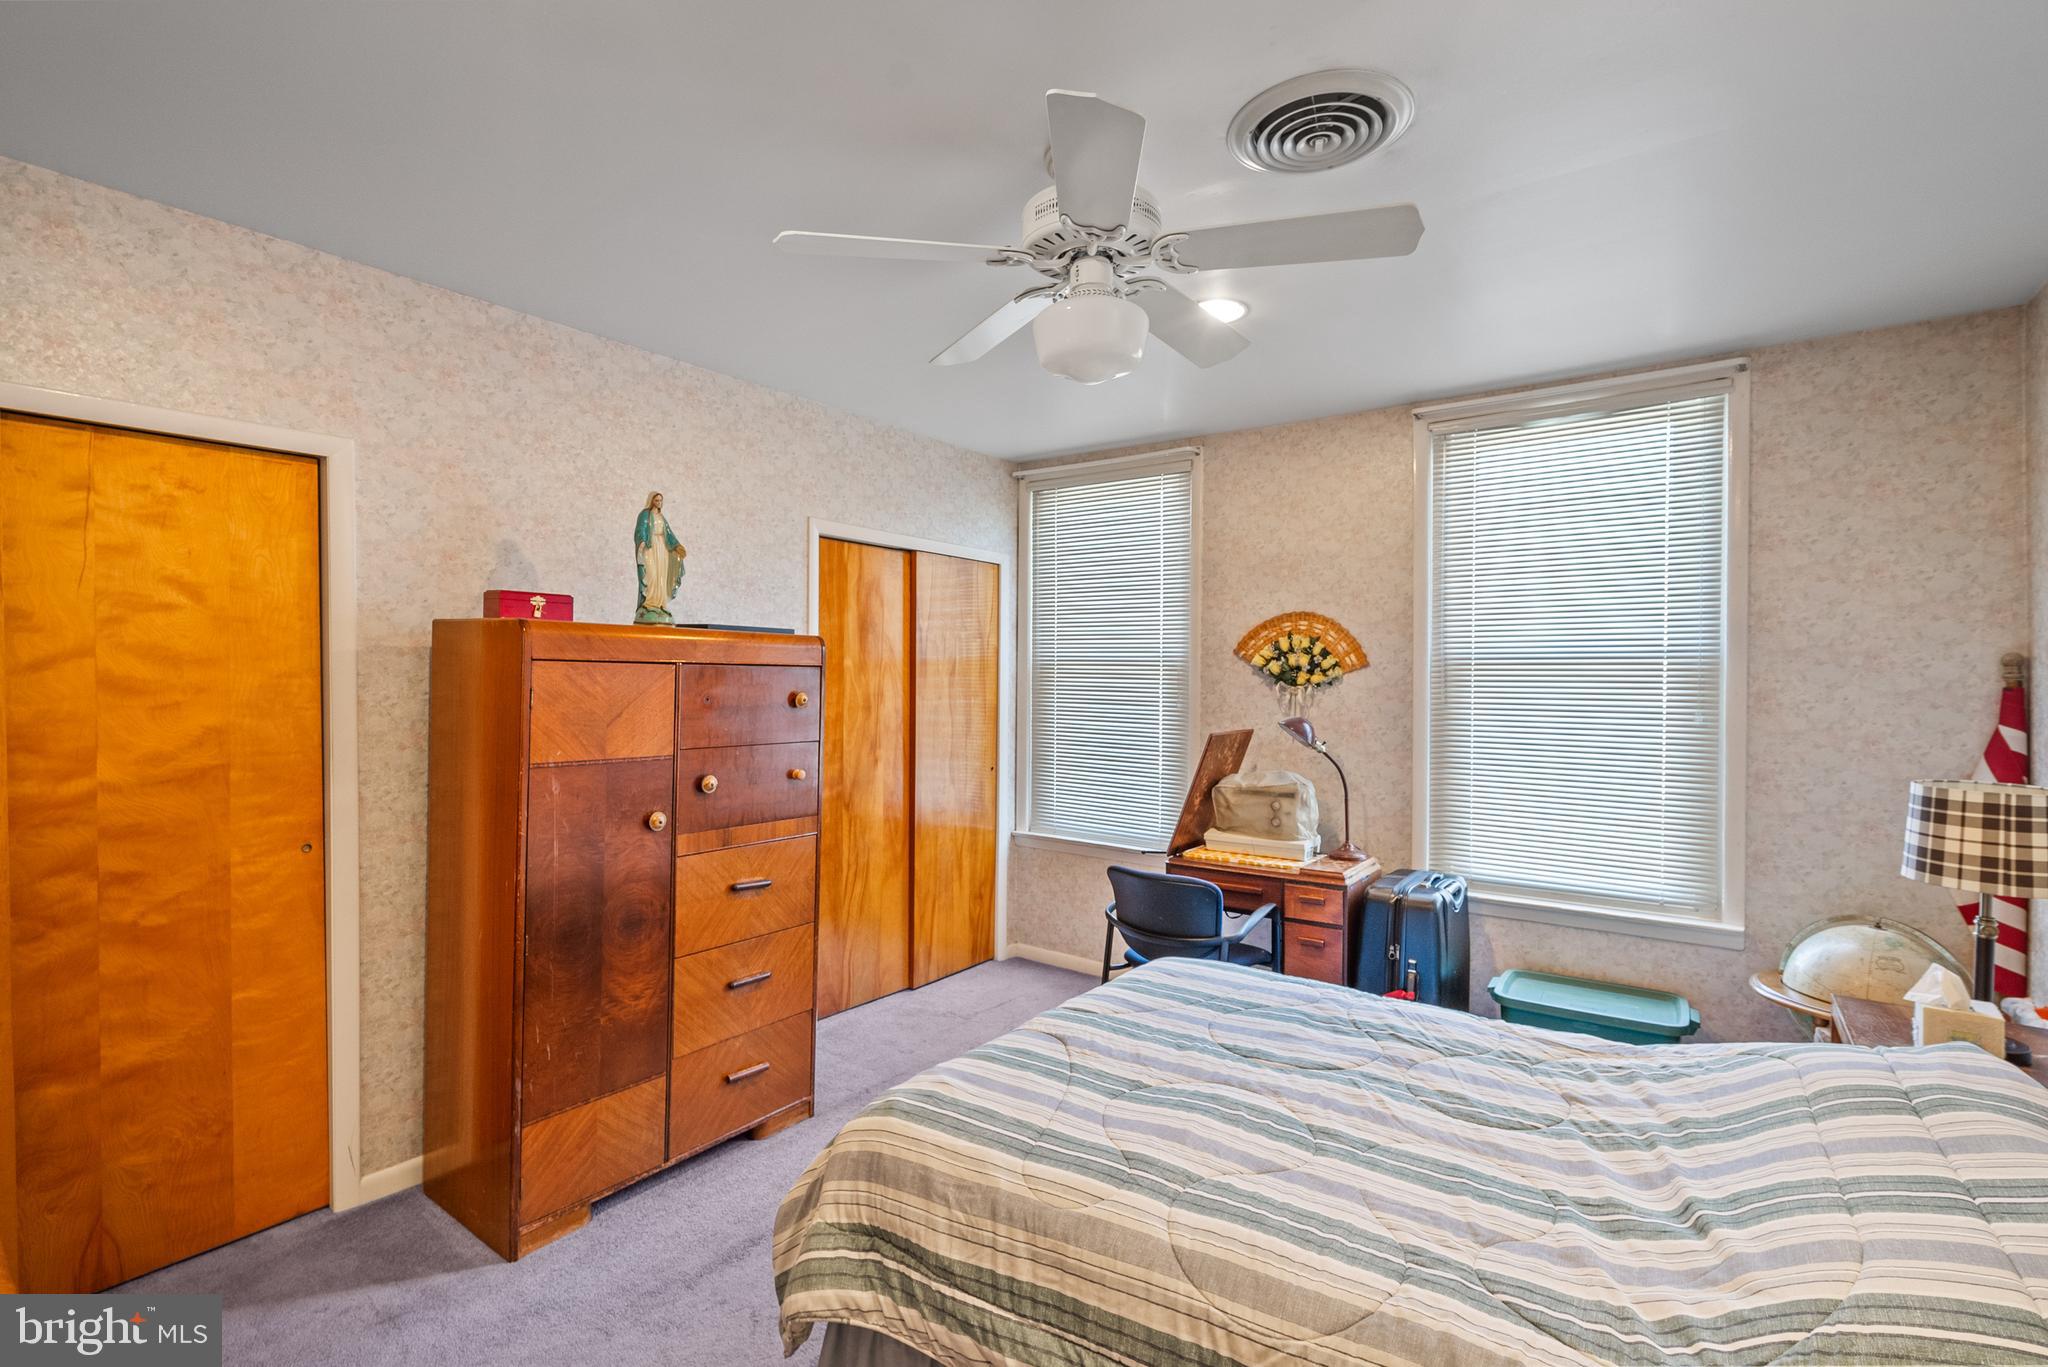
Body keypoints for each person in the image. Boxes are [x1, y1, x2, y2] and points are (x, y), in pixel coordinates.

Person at [634, 491, 685, 623]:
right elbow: (640, 530)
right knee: (651, 574)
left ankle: (660, 603)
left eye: (660, 500)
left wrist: (677, 546)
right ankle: (649, 603)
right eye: (656, 500)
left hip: (662, 548)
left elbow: (669, 534)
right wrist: (643, 541)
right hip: (650, 548)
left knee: (661, 576)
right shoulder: (645, 514)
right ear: (651, 500)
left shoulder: (661, 517)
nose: (658, 503)